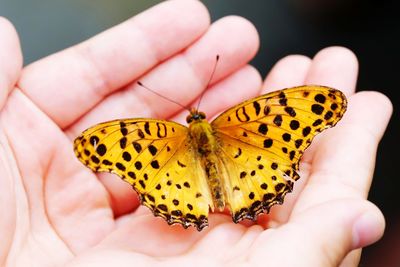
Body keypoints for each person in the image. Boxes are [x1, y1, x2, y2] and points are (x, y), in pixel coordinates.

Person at [0, 0, 392, 266]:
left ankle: (201, 206)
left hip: (179, 182)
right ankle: (239, 199)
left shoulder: (149, 135)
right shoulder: (248, 117)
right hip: (252, 170)